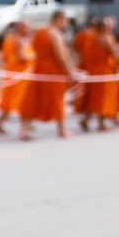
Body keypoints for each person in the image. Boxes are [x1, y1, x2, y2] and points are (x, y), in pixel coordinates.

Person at [23, 10, 76, 141]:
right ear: (59, 19)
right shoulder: (55, 34)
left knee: (34, 98)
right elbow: (60, 56)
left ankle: (25, 130)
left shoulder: (41, 32)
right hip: (53, 72)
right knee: (57, 100)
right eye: (65, 21)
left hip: (39, 69)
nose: (66, 24)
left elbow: (34, 50)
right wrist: (70, 72)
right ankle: (62, 131)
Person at [77, 17, 119, 132]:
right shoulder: (103, 38)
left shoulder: (91, 36)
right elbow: (115, 53)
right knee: (102, 97)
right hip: (103, 71)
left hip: (94, 70)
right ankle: (101, 123)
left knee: (94, 97)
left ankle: (86, 119)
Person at [0, 20, 33, 136]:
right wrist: (36, 55)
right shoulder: (18, 40)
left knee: (10, 103)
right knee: (23, 103)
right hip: (19, 77)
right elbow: (22, 57)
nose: (28, 30)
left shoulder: (13, 39)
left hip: (16, 75)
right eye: (25, 28)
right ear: (19, 28)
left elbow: (5, 57)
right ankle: (24, 130)